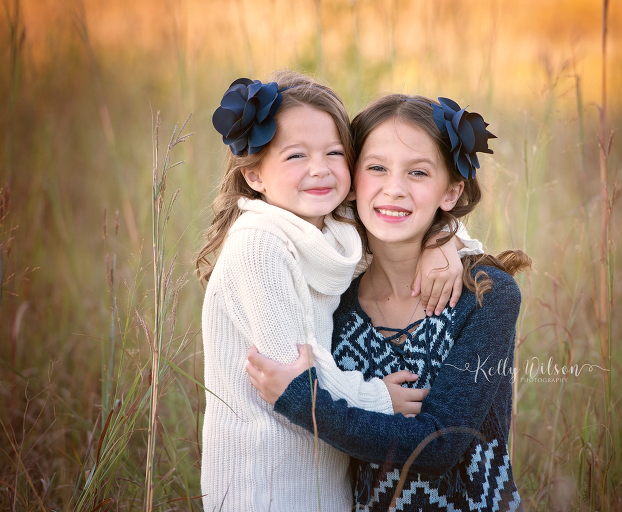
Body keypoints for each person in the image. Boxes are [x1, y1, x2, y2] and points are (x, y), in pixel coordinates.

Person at [196, 72, 481, 512]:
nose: (319, 168)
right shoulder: (259, 245)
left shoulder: (331, 234)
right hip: (262, 487)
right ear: (253, 173)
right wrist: (379, 398)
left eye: (334, 153)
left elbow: (407, 209)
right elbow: (292, 376)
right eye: (296, 155)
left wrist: (446, 242)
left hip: (321, 482)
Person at [247, 93, 531, 511]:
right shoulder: (333, 295)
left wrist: (304, 404)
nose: (393, 189)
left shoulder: (486, 296)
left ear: (450, 192)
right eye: (376, 168)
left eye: (418, 172)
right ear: (350, 178)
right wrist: (444, 235)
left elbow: (438, 448)